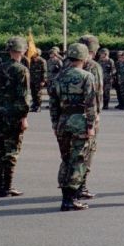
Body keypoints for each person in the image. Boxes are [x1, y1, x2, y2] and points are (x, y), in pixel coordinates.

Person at [48, 43, 97, 212]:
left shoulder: (58, 77)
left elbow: (53, 104)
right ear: (83, 58)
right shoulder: (86, 76)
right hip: (79, 120)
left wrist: (55, 123)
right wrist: (91, 125)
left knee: (66, 158)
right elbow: (91, 104)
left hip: (63, 120)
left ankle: (65, 196)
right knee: (79, 159)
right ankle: (70, 198)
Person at [0, 36, 31, 197]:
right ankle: (7, 186)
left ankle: (1, 186)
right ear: (22, 50)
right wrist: (24, 117)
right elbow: (24, 96)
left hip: (0, 115)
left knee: (0, 149)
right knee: (11, 151)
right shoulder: (22, 70)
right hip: (14, 116)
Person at [76, 35, 106, 201]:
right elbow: (97, 93)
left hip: (68, 115)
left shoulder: (68, 64)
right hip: (87, 114)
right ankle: (81, 186)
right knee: (87, 152)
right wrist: (96, 115)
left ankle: (72, 185)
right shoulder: (93, 66)